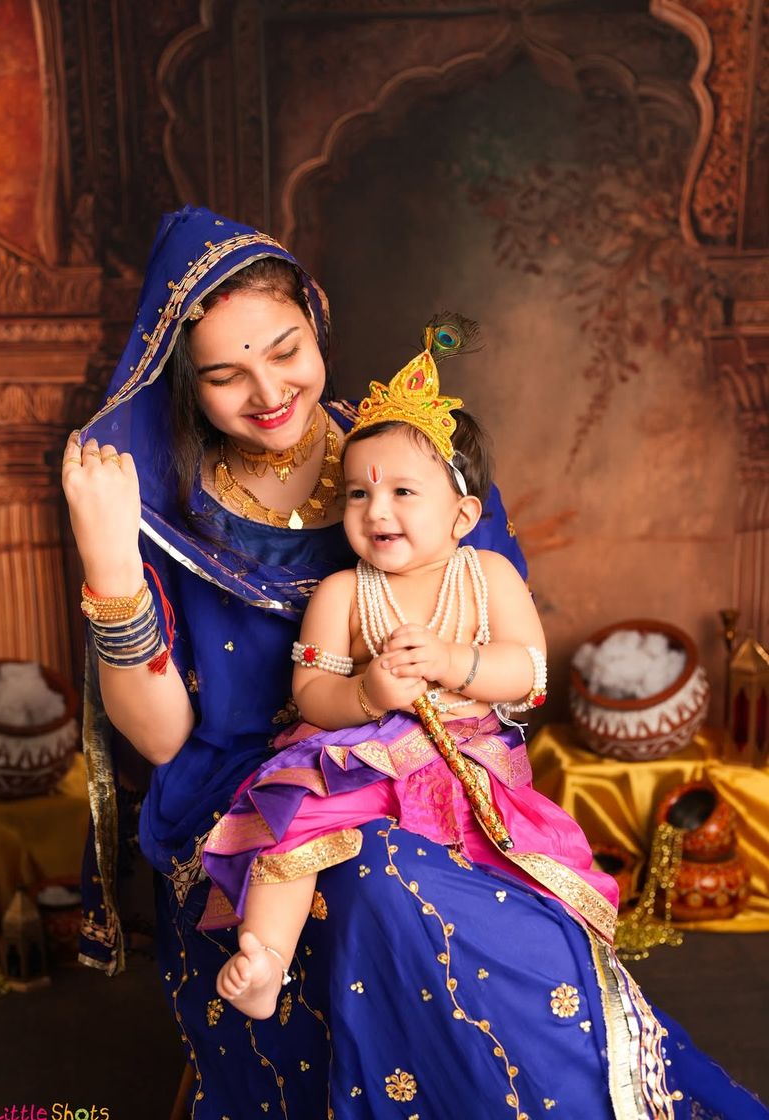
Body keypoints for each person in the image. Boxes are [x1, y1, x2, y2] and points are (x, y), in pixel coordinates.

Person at [63, 205, 768, 1119]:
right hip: (255, 796)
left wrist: (445, 709)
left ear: (316, 318)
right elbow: (163, 741)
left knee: (489, 922)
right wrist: (112, 565)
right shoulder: (165, 512)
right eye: (225, 376)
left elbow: (510, 665)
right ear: (186, 385)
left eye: (286, 351)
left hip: (452, 771)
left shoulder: (419, 456)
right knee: (370, 882)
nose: (268, 391)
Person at [203, 321, 620, 1022]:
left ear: (463, 515)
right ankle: (267, 957)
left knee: (519, 868)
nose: (377, 511)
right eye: (358, 495)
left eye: (403, 492)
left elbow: (528, 671)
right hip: (359, 760)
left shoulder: (487, 576)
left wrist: (457, 662)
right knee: (292, 820)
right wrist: (367, 694)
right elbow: (310, 694)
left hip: (467, 760)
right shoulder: (342, 593)